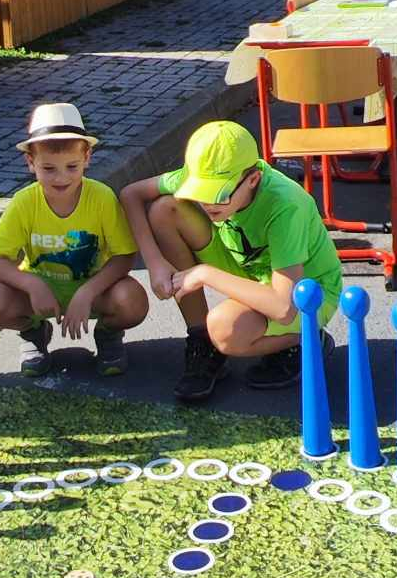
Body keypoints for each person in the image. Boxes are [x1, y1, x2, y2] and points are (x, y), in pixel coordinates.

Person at [121, 120, 342, 404]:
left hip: (306, 295)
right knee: (165, 209)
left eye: (220, 194)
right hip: (250, 269)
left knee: (225, 329)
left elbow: (284, 307)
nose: (208, 204)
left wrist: (205, 273)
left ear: (253, 179)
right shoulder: (200, 173)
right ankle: (202, 342)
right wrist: (154, 262)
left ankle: (306, 338)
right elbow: (131, 194)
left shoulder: (286, 204)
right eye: (201, 192)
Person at [0, 103, 148, 377]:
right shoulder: (23, 202)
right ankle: (33, 332)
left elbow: (124, 256)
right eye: (49, 168)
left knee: (132, 300)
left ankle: (108, 333)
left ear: (87, 158)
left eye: (71, 166)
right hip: (40, 292)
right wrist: (32, 284)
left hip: (95, 289)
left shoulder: (102, 198)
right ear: (30, 162)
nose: (61, 177)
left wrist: (87, 292)